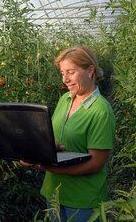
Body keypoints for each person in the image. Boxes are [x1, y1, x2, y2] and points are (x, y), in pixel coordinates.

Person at [21, 45, 116, 221]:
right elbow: (54, 139)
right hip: (54, 193)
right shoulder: (65, 99)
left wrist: (51, 167)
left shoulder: (100, 111)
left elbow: (96, 164)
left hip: (83, 200)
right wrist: (38, 153)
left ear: (90, 71)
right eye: (62, 73)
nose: (65, 79)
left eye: (70, 72)